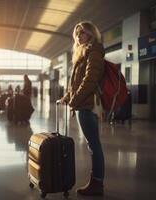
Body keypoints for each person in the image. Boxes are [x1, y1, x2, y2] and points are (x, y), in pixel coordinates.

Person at [60, 21, 105, 196]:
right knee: (92, 144)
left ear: (91, 34)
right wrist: (67, 96)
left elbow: (89, 80)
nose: (79, 37)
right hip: (83, 105)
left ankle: (97, 183)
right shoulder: (82, 53)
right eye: (77, 34)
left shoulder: (93, 51)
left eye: (83, 33)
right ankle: (96, 182)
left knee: (94, 145)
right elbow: (77, 82)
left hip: (87, 106)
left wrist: (74, 100)